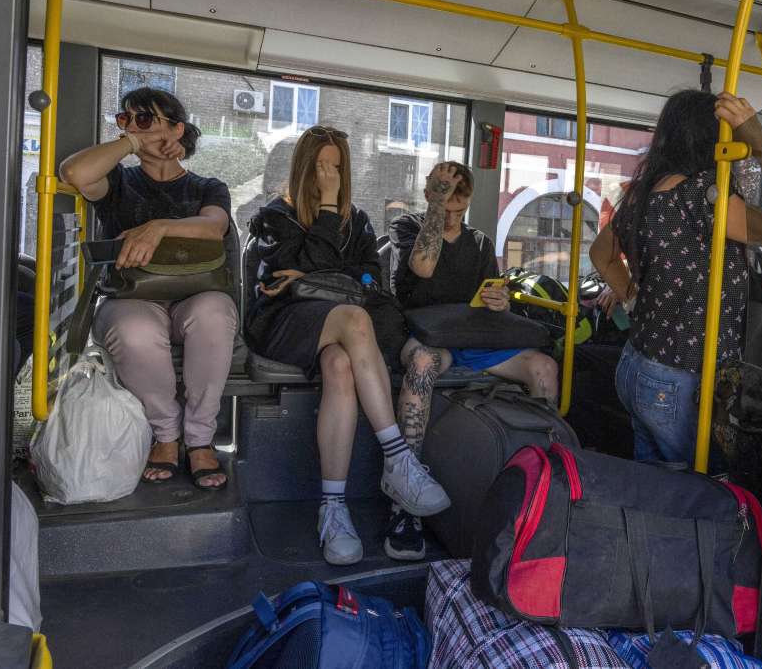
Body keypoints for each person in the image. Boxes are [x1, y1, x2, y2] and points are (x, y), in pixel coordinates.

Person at [244, 125, 449, 565]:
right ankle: (397, 458)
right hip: (284, 322)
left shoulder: (357, 220)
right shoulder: (275, 216)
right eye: (321, 166)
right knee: (355, 319)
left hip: (335, 328)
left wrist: (319, 275)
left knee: (339, 365)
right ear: (304, 167)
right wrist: (324, 210)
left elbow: (369, 275)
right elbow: (297, 269)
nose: (330, 175)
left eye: (336, 167)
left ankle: (333, 508)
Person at [588, 90, 762, 465]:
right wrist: (758, 139)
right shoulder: (705, 194)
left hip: (637, 365)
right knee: (694, 495)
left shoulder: (644, 191)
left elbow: (601, 253)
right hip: (682, 380)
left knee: (656, 489)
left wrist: (634, 297)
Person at [59, 87, 237, 491]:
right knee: (131, 330)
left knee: (214, 314)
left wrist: (157, 227)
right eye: (125, 119)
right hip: (133, 296)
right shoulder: (119, 182)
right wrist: (131, 142)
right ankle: (166, 434)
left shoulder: (207, 186)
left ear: (176, 129)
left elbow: (214, 226)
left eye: (144, 119)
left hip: (196, 294)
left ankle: (200, 438)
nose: (132, 126)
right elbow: (74, 174)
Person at [385, 161, 559, 560]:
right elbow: (423, 267)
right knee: (423, 365)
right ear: (429, 193)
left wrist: (500, 301)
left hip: (473, 336)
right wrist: (435, 206)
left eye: (457, 208)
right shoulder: (407, 228)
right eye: (443, 202)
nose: (450, 215)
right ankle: (404, 494)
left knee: (544, 369)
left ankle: (543, 490)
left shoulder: (479, 243)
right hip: (427, 336)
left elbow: (489, 297)